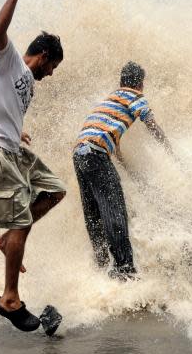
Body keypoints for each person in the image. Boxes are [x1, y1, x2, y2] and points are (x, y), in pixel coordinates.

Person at [0, 0, 67, 332]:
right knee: (22, 221)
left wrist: (20, 131)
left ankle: (5, 238)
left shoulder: (26, 83)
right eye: (53, 66)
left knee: (55, 190)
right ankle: (9, 298)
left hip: (12, 146)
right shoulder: (8, 62)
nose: (52, 74)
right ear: (42, 56)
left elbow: (2, 106)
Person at [73, 61, 172, 280]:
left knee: (93, 213)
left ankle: (100, 265)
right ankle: (124, 270)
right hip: (96, 153)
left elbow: (111, 139)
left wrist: (126, 167)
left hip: (80, 153)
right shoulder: (135, 96)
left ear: (121, 80)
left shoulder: (110, 100)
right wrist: (169, 149)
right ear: (140, 83)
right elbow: (151, 123)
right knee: (114, 210)